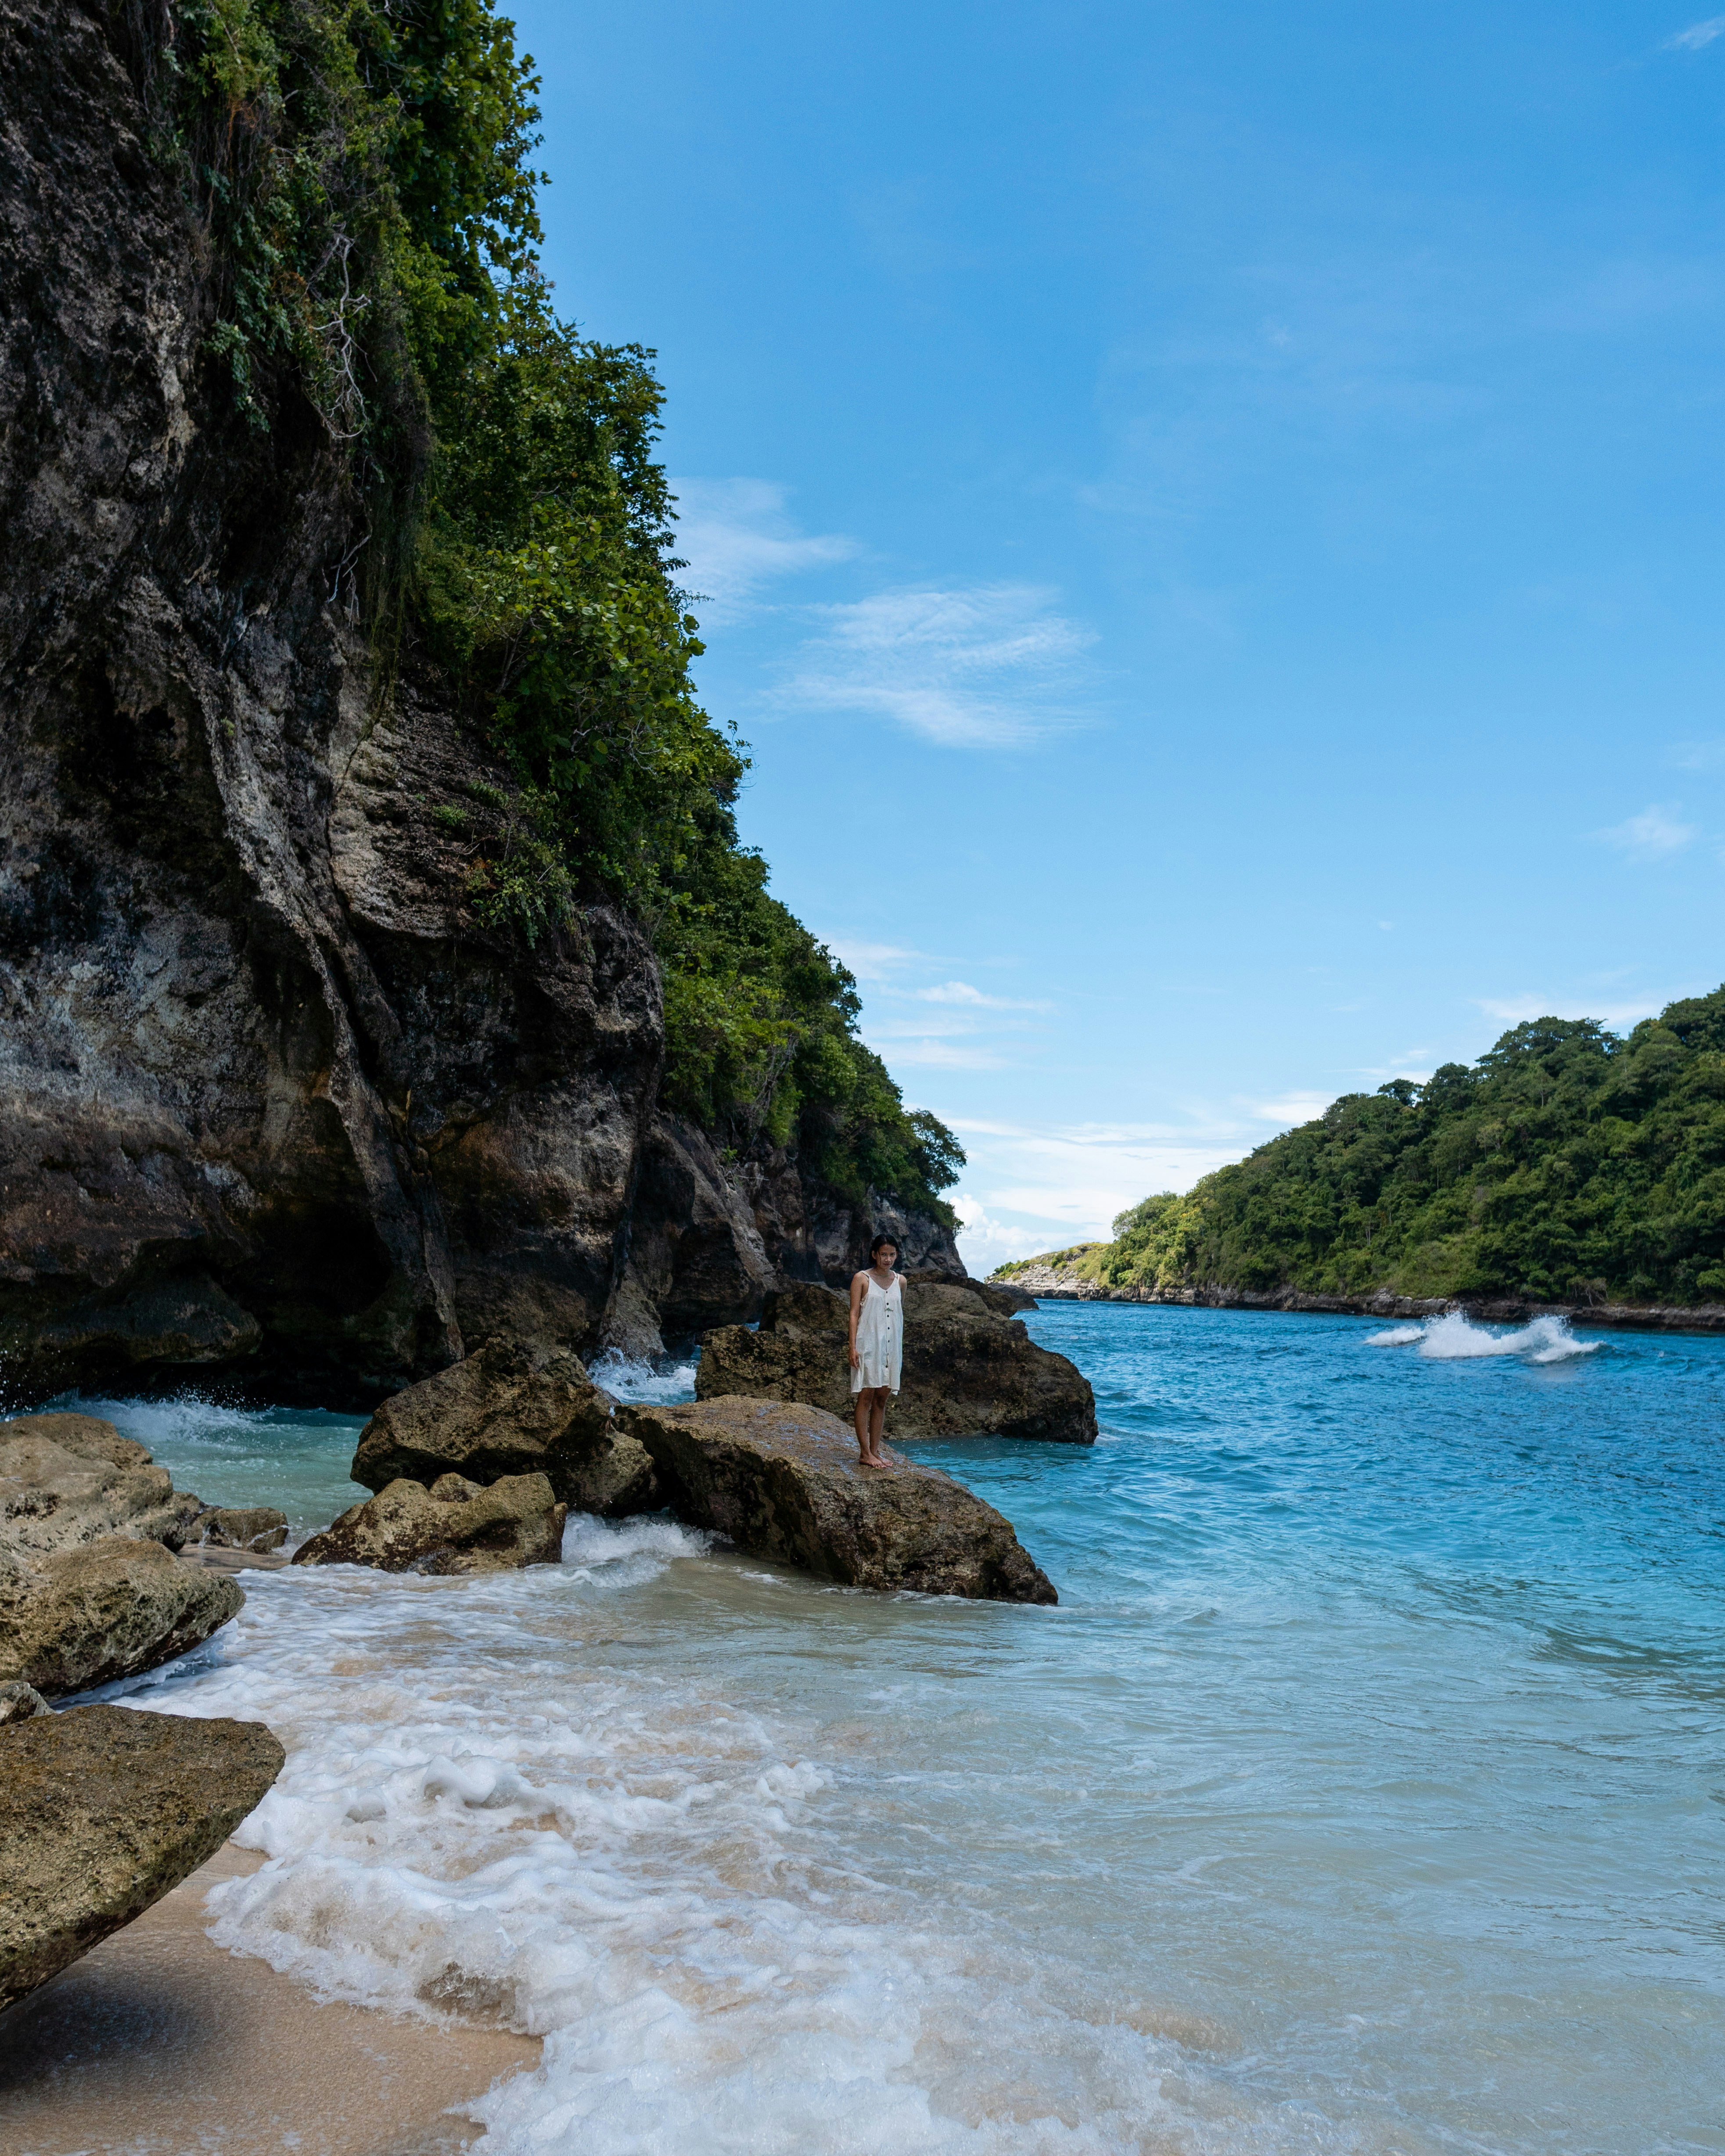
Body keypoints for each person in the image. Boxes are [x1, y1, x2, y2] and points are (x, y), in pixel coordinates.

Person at [848, 1235, 904, 1467]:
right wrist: (852, 1347)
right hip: (868, 1345)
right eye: (883, 1254)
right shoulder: (861, 1279)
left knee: (882, 1398)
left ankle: (875, 1451)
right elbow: (854, 1314)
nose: (888, 1259)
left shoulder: (901, 1281)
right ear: (874, 1254)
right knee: (866, 1396)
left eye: (892, 1255)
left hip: (892, 1347)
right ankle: (864, 1453)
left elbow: (896, 1313)